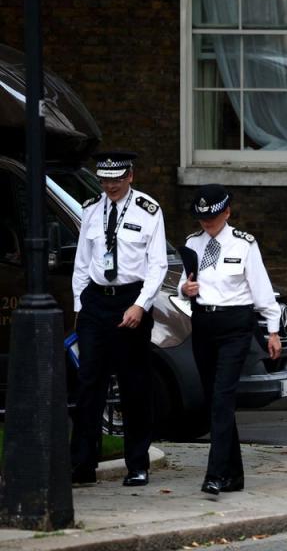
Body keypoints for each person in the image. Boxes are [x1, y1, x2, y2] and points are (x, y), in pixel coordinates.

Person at [71, 151, 167, 487]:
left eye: (117, 179)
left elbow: (158, 265)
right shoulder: (90, 209)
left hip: (131, 299)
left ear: (130, 177)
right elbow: (83, 262)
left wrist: (141, 305)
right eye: (105, 180)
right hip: (96, 302)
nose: (111, 186)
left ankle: (137, 464)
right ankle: (83, 464)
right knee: (88, 384)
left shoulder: (148, 210)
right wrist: (79, 305)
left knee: (134, 385)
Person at [178, 184, 282, 495]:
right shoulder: (192, 244)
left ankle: (215, 474)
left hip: (236, 325)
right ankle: (234, 475)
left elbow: (262, 290)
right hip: (204, 323)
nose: (206, 224)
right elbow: (185, 283)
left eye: (211, 218)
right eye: (201, 218)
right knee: (215, 401)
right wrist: (186, 290)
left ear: (227, 212)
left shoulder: (244, 245)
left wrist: (273, 330)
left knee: (223, 398)